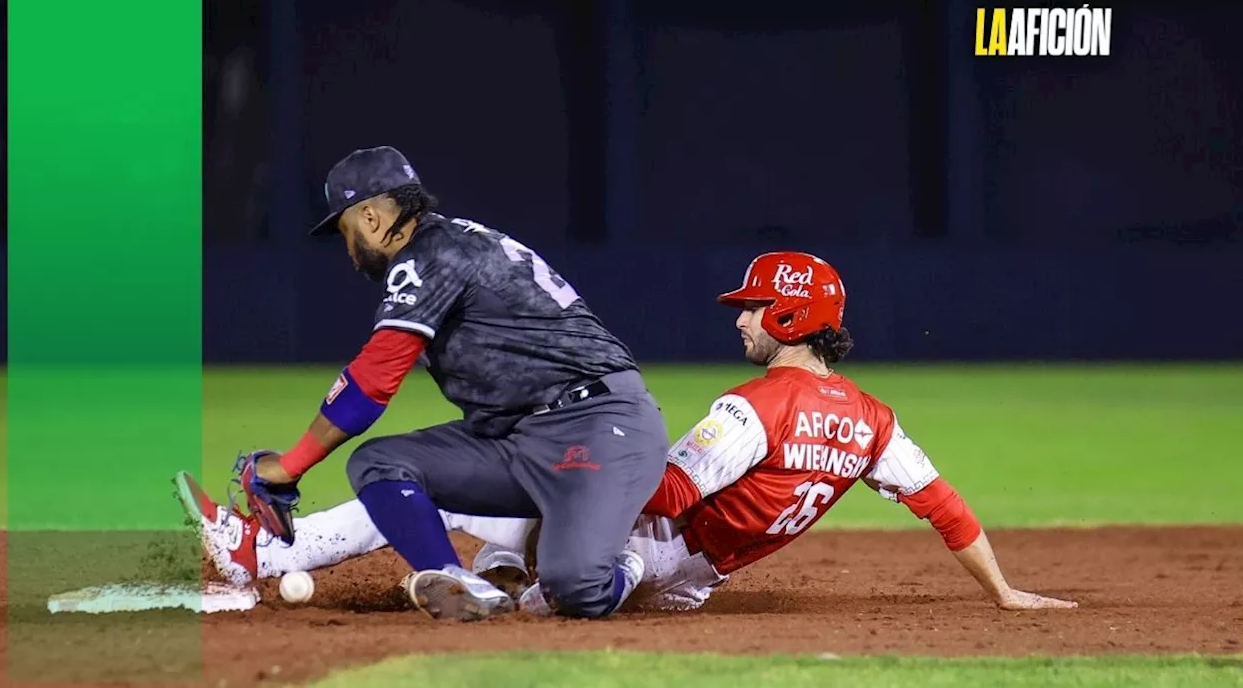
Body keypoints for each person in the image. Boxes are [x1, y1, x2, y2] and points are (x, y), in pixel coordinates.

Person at [182, 251, 1077, 615]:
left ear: (791, 314)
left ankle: (257, 554)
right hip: (690, 583)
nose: (742, 320)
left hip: (641, 548)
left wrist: (558, 461)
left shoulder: (752, 407)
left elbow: (666, 491)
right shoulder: (874, 421)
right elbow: (944, 506)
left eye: (755, 308)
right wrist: (1003, 593)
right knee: (519, 539)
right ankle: (505, 577)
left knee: (450, 486)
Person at [176, 145, 668, 621]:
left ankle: (627, 557)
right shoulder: (452, 243)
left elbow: (373, 380)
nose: (348, 250)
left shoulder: (430, 253)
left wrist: (289, 466)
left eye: (346, 232)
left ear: (371, 218)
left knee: (575, 584)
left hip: (599, 426)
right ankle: (458, 580)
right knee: (380, 463)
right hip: (517, 439)